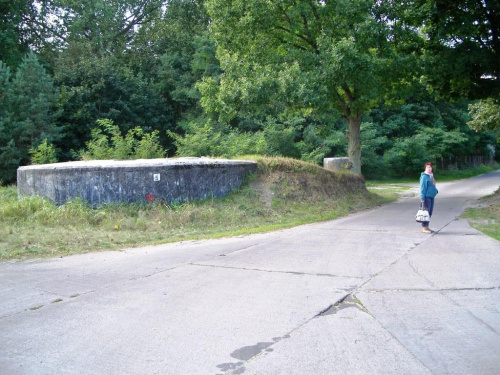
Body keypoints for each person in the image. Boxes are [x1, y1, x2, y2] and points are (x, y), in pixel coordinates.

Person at [419, 162, 438, 233]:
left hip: (431, 196)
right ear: (425, 168)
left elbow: (433, 185)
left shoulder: (431, 175)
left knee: (430, 212)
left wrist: (435, 191)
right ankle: (424, 228)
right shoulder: (424, 177)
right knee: (426, 213)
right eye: (427, 167)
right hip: (426, 197)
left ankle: (427, 227)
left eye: (430, 167)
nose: (429, 169)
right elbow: (422, 188)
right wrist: (422, 198)